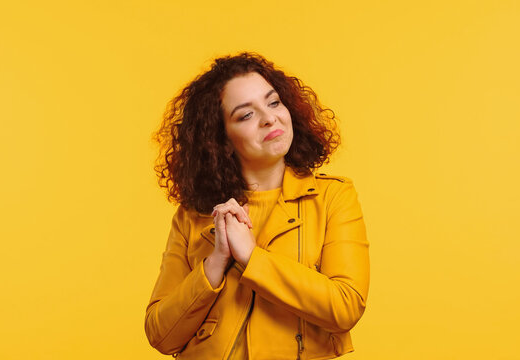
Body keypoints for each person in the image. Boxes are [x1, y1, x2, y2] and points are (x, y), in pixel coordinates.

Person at [145, 52, 369, 359]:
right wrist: (215, 262)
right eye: (245, 115)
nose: (269, 118)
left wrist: (251, 257)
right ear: (221, 139)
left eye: (274, 102)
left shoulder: (332, 197)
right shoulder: (192, 215)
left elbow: (346, 307)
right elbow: (160, 335)